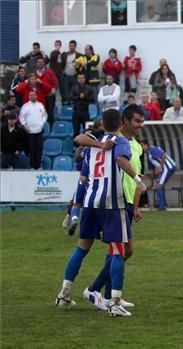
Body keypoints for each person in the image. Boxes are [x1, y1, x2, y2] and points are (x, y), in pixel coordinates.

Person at [56, 109, 146, 317]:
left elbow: (84, 176)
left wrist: (76, 204)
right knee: (118, 250)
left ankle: (65, 293)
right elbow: (121, 160)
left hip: (90, 203)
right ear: (121, 123)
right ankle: (113, 301)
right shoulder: (120, 142)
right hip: (111, 204)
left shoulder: (90, 145)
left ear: (102, 124)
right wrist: (138, 181)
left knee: (82, 248)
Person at [83, 106, 145, 310]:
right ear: (124, 122)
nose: (140, 125)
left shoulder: (135, 146)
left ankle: (106, 294)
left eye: (142, 121)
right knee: (120, 250)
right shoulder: (116, 141)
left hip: (126, 202)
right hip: (115, 202)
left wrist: (136, 206)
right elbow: (125, 168)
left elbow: (137, 177)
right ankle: (101, 292)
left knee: (123, 251)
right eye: (137, 121)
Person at [140, 139, 176, 210]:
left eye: (142, 146)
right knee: (158, 185)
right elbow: (153, 169)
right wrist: (153, 181)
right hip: (165, 169)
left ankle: (161, 207)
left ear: (146, 145)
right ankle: (163, 204)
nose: (141, 148)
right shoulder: (148, 155)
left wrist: (160, 167)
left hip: (168, 167)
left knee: (159, 185)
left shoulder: (152, 149)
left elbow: (164, 155)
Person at [19, 91, 47, 169]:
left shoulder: (40, 105)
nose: (32, 96)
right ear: (29, 96)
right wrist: (25, 126)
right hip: (29, 132)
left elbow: (44, 116)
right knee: (32, 149)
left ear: (36, 96)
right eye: (31, 95)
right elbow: (21, 118)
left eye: (34, 95)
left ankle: (38, 165)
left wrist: (42, 123)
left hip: (39, 131)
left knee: (39, 149)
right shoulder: (25, 106)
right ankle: (32, 166)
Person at [35, 56, 58, 125]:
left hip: (49, 96)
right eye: (39, 62)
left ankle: (51, 129)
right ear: (36, 64)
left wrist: (52, 92)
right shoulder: (35, 74)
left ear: (44, 63)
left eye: (42, 62)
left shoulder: (49, 72)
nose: (40, 63)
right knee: (40, 113)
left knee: (50, 114)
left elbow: (55, 83)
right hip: (40, 97)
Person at [71, 73, 94, 138]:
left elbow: (92, 98)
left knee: (88, 131)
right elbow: (71, 97)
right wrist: (79, 97)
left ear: (84, 79)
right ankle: (76, 146)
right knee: (76, 131)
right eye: (79, 78)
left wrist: (85, 97)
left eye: (82, 78)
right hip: (76, 112)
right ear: (77, 79)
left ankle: (87, 146)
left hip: (85, 112)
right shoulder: (74, 88)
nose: (81, 79)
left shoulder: (88, 88)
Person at [60, 40, 82, 105]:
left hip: (75, 76)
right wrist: (62, 70)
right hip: (66, 76)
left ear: (75, 46)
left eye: (72, 46)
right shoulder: (64, 55)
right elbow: (60, 63)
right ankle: (67, 104)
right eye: (70, 46)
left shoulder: (79, 55)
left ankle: (75, 103)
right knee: (66, 91)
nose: (71, 47)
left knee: (75, 90)